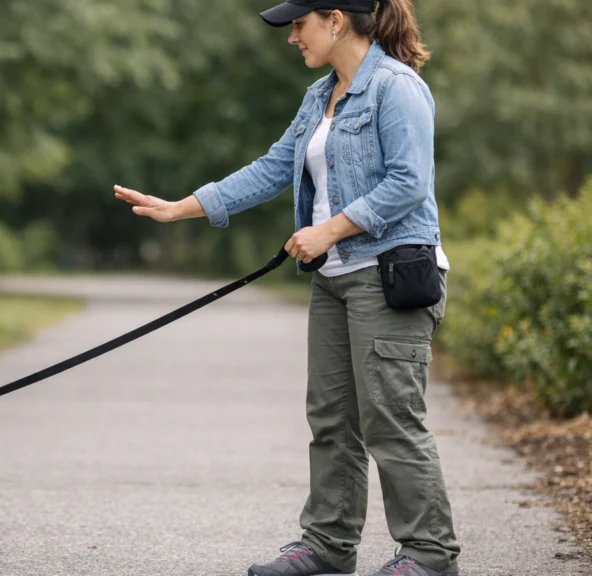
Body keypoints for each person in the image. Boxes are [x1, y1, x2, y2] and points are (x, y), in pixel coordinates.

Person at [113, 1, 460, 575]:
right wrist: (182, 208)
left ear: (334, 19)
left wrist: (328, 229)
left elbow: (409, 182)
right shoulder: (318, 96)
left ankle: (429, 555)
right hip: (333, 279)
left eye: (298, 24)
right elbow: (274, 167)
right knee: (331, 420)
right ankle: (328, 546)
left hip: (389, 275)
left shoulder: (396, 88)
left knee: (391, 420)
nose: (293, 37)